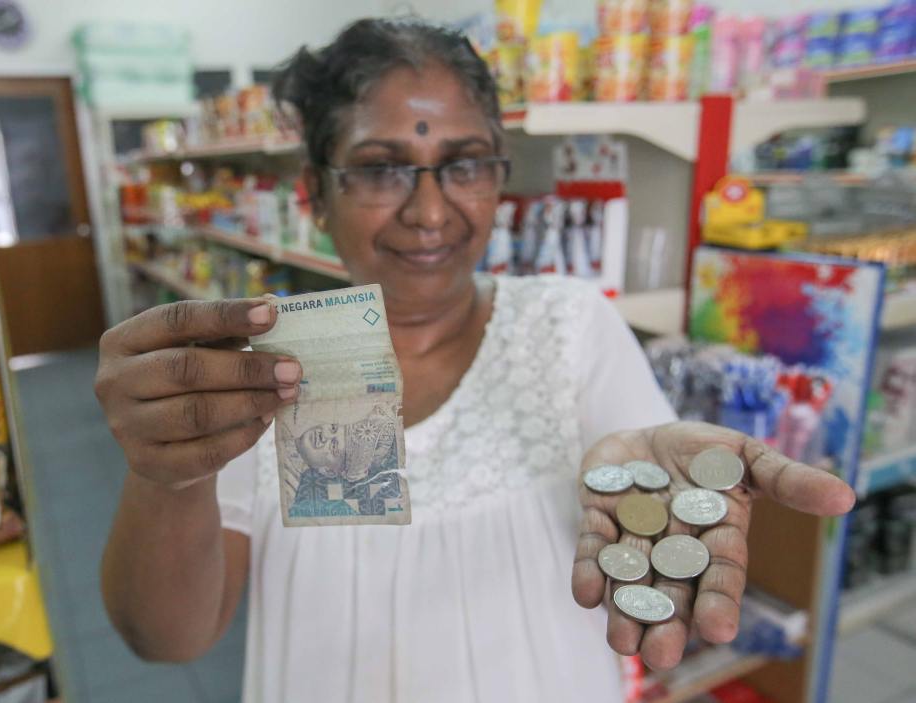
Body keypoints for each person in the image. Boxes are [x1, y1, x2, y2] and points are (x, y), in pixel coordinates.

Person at [95, 18, 855, 703]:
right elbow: (167, 639)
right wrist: (167, 473)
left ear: (498, 175)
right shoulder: (258, 373)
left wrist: (662, 500)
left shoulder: (569, 326)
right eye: (381, 168)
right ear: (315, 195)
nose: (429, 212)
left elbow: (647, 486)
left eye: (463, 165)